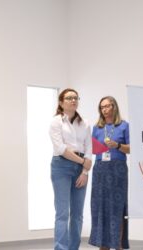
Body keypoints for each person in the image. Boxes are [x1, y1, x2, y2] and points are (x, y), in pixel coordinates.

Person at [49, 88, 92, 250]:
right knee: (62, 214)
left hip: (81, 169)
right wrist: (83, 162)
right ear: (61, 102)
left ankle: (74, 247)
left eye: (75, 97)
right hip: (61, 166)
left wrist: (85, 171)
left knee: (77, 214)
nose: (73, 100)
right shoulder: (56, 122)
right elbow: (61, 149)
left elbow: (89, 148)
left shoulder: (85, 123)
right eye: (69, 98)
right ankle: (61, 248)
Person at [88, 96, 130, 250]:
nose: (104, 110)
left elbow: (131, 149)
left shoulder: (124, 126)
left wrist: (117, 145)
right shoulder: (97, 128)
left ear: (114, 107)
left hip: (118, 171)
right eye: (101, 107)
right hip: (100, 171)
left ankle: (117, 245)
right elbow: (91, 148)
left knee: (117, 209)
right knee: (101, 208)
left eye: (107, 106)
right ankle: (103, 246)